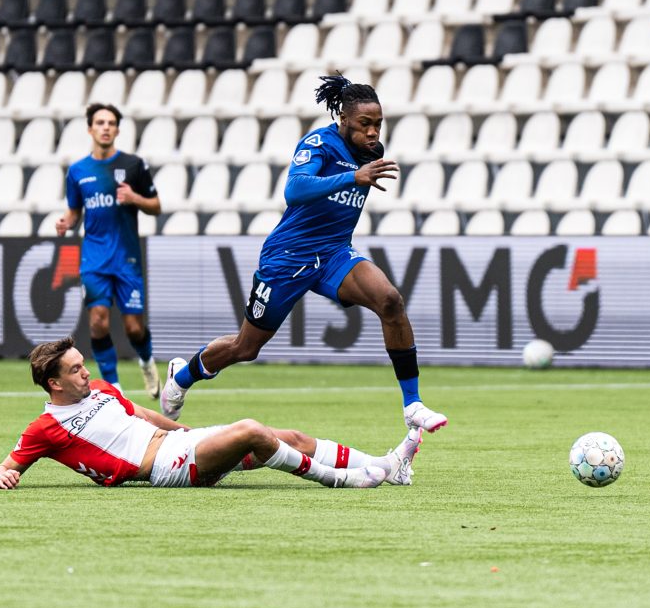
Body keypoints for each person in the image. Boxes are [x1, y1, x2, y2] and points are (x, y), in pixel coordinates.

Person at [160, 75, 447, 434]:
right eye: (364, 124)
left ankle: (412, 405)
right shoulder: (319, 143)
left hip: (334, 255)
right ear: (343, 119)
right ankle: (183, 375)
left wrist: (357, 173)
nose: (373, 133)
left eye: (378, 124)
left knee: (390, 301)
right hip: (288, 257)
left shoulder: (371, 152)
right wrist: (352, 177)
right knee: (245, 347)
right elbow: (295, 190)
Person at [0, 338, 423, 490]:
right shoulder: (45, 428)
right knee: (252, 430)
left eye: (83, 364)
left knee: (288, 436)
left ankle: (387, 466)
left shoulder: (101, 389)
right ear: (54, 384)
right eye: (75, 369)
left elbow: (142, 412)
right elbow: (7, 467)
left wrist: (187, 431)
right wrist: (3, 475)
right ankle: (342, 481)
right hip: (161, 467)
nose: (86, 372)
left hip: (179, 445)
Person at [56, 103, 163, 398]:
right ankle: (114, 388)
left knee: (134, 329)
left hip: (127, 260)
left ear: (117, 129)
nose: (106, 127)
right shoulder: (78, 171)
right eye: (100, 122)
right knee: (98, 321)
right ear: (90, 128)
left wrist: (135, 198)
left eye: (111, 123)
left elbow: (156, 206)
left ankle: (146, 361)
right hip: (94, 258)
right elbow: (75, 210)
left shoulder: (133, 165)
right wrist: (67, 220)